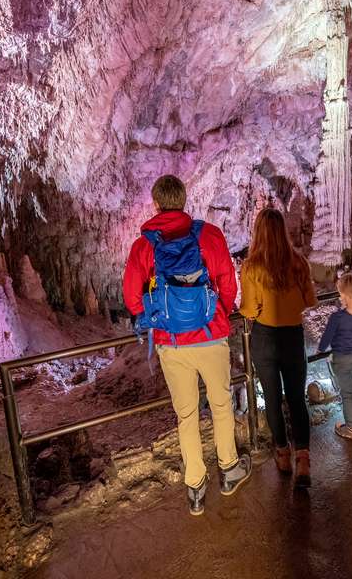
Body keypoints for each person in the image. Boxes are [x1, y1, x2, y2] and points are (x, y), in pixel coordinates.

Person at [123, 174, 251, 515]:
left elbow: (131, 296)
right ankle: (229, 469)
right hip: (211, 337)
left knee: (187, 415)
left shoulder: (144, 246)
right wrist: (219, 314)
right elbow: (228, 282)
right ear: (183, 200)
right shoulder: (207, 235)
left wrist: (153, 318)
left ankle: (195, 486)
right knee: (222, 406)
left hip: (172, 344)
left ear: (156, 204)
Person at [239, 208, 317, 487]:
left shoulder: (250, 267)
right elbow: (310, 300)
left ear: (258, 233)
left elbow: (248, 310)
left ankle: (282, 454)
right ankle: (304, 460)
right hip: (292, 336)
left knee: (272, 398)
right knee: (296, 398)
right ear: (283, 231)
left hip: (264, 337)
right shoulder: (298, 262)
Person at [317, 272, 352, 442]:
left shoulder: (337, 317)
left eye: (340, 294)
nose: (340, 297)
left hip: (341, 358)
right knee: (351, 388)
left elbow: (327, 338)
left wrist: (321, 349)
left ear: (345, 295)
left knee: (345, 392)